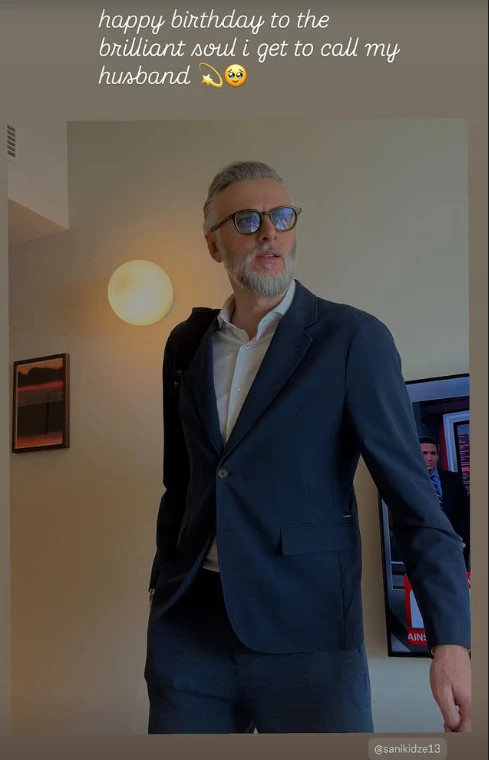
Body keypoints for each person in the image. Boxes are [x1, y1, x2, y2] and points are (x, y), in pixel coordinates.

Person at [144, 161, 471, 734]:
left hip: (310, 634)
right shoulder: (186, 345)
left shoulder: (351, 339)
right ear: (214, 245)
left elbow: (412, 498)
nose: (269, 233)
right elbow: (182, 481)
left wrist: (451, 641)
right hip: (190, 632)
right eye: (247, 220)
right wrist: (162, 586)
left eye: (282, 216)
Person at [419, 436, 470, 569]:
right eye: (424, 453)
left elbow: (466, 512)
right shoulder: (409, 481)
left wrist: (462, 540)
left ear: (438, 456)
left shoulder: (454, 479)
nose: (429, 458)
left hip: (456, 546)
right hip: (424, 548)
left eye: (433, 453)